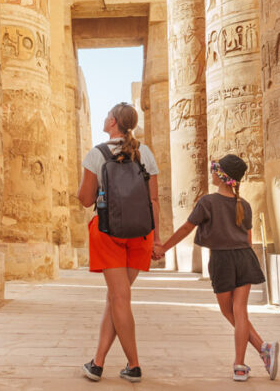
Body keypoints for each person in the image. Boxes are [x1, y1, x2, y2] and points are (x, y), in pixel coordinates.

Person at [153, 154, 279, 382]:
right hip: (244, 258)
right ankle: (255, 355)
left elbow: (185, 228)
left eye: (214, 168)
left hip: (222, 261)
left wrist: (164, 248)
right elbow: (248, 239)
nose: (211, 171)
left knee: (227, 311)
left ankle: (249, 358)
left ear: (221, 176)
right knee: (240, 311)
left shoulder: (207, 202)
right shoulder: (245, 205)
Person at [77, 103, 161, 383]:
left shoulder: (97, 154)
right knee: (116, 298)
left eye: (106, 116)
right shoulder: (144, 152)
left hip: (108, 232)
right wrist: (157, 238)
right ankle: (97, 363)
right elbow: (153, 201)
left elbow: (86, 199)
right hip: (141, 233)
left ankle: (134, 365)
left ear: (112, 122)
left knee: (119, 298)